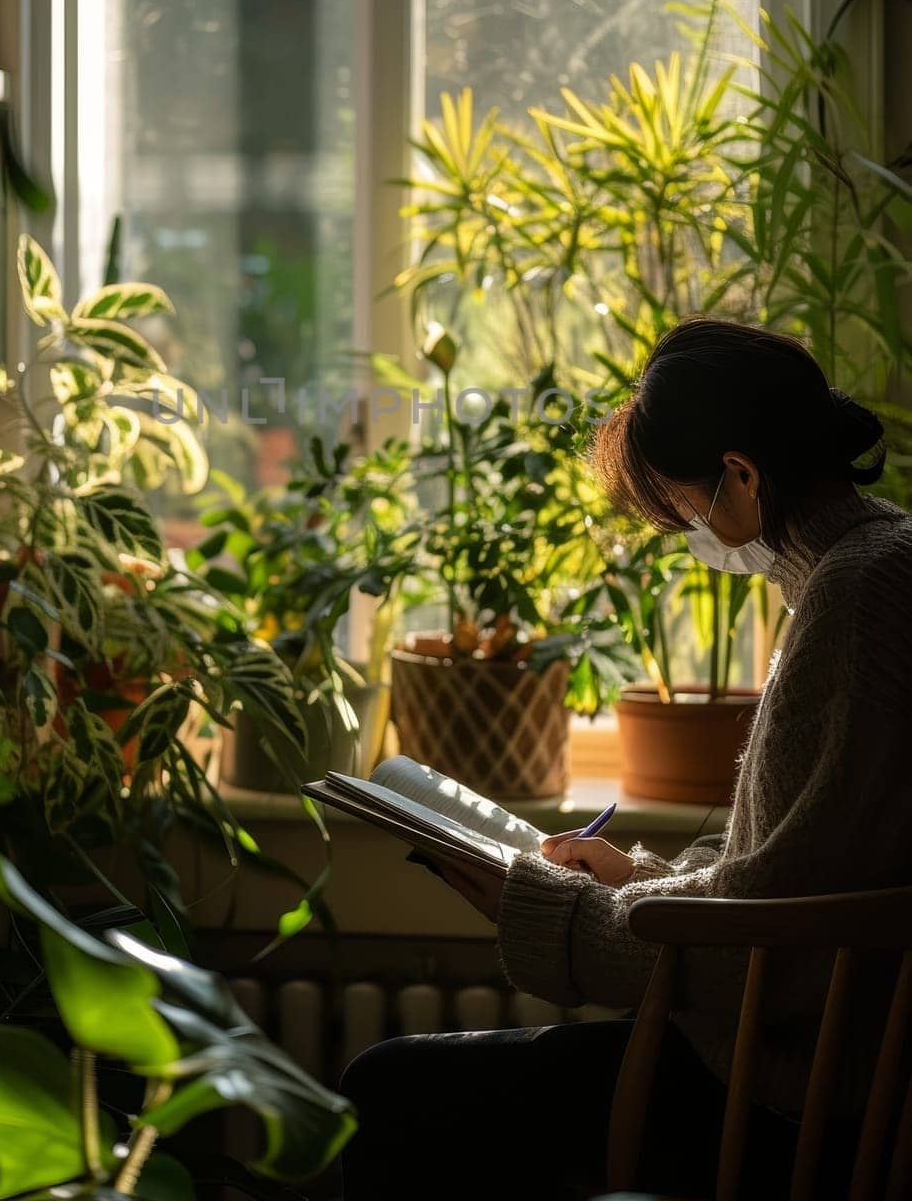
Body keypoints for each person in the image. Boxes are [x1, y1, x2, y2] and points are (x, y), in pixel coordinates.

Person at [340, 319, 912, 1200]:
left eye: (682, 511)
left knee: (389, 1089)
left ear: (742, 475)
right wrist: (626, 878)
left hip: (800, 1097)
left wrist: (549, 908)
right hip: (796, 1063)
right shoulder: (862, 566)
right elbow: (794, 869)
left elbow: (780, 938)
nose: (690, 533)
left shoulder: (859, 596)